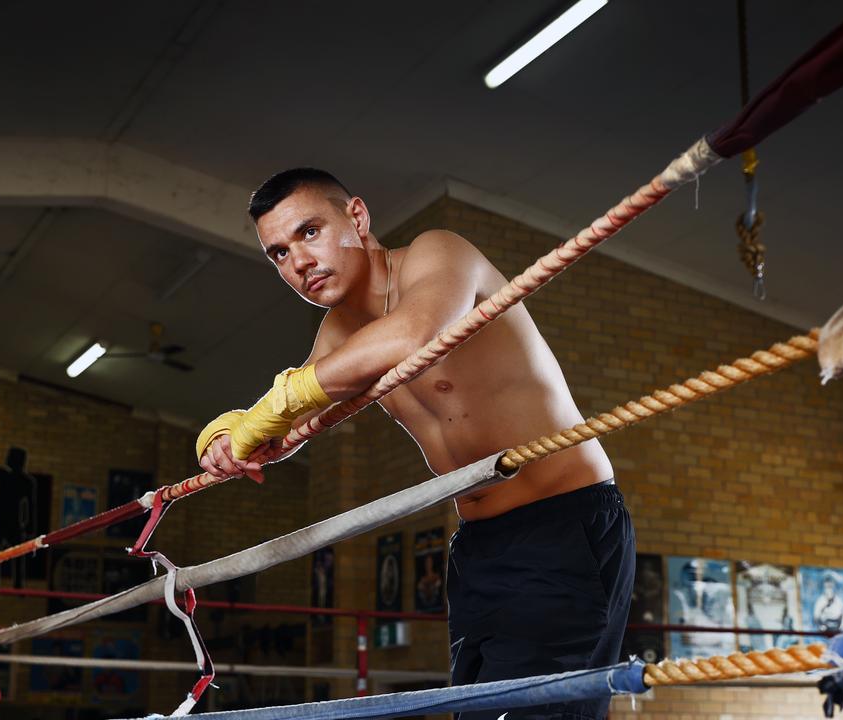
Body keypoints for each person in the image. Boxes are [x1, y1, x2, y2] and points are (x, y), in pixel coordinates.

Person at [195, 168, 635, 719]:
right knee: (475, 712)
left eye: (310, 231)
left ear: (356, 216)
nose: (299, 262)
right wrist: (224, 436)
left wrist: (277, 405)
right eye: (279, 253)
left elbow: (414, 334)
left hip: (563, 522)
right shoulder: (338, 336)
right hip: (479, 545)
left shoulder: (436, 253)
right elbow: (282, 423)